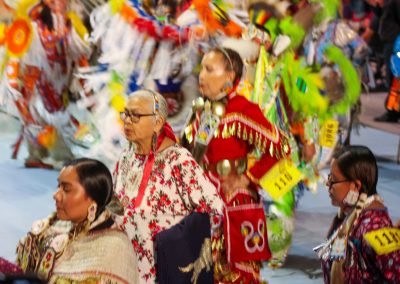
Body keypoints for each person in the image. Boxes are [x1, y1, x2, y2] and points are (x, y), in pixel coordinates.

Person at [181, 47, 289, 283]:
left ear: (229, 76)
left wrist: (249, 177)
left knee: (235, 271)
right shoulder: (202, 109)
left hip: (234, 203)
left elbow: (281, 147)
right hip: (204, 200)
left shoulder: (242, 109)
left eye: (209, 69)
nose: (201, 76)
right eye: (202, 69)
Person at [113, 89, 224, 283]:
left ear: (157, 123)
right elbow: (115, 202)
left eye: (136, 116)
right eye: (126, 113)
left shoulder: (178, 161)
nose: (127, 121)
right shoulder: (126, 157)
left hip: (165, 270)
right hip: (125, 266)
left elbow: (215, 209)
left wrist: (174, 239)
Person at [16, 158, 138, 283]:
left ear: (92, 199)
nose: (56, 195)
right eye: (59, 186)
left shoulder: (115, 248)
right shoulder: (52, 228)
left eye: (66, 189)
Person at [315, 145, 400, 283]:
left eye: (333, 180)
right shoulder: (350, 216)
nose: (327, 184)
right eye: (329, 177)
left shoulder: (374, 227)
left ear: (355, 186)